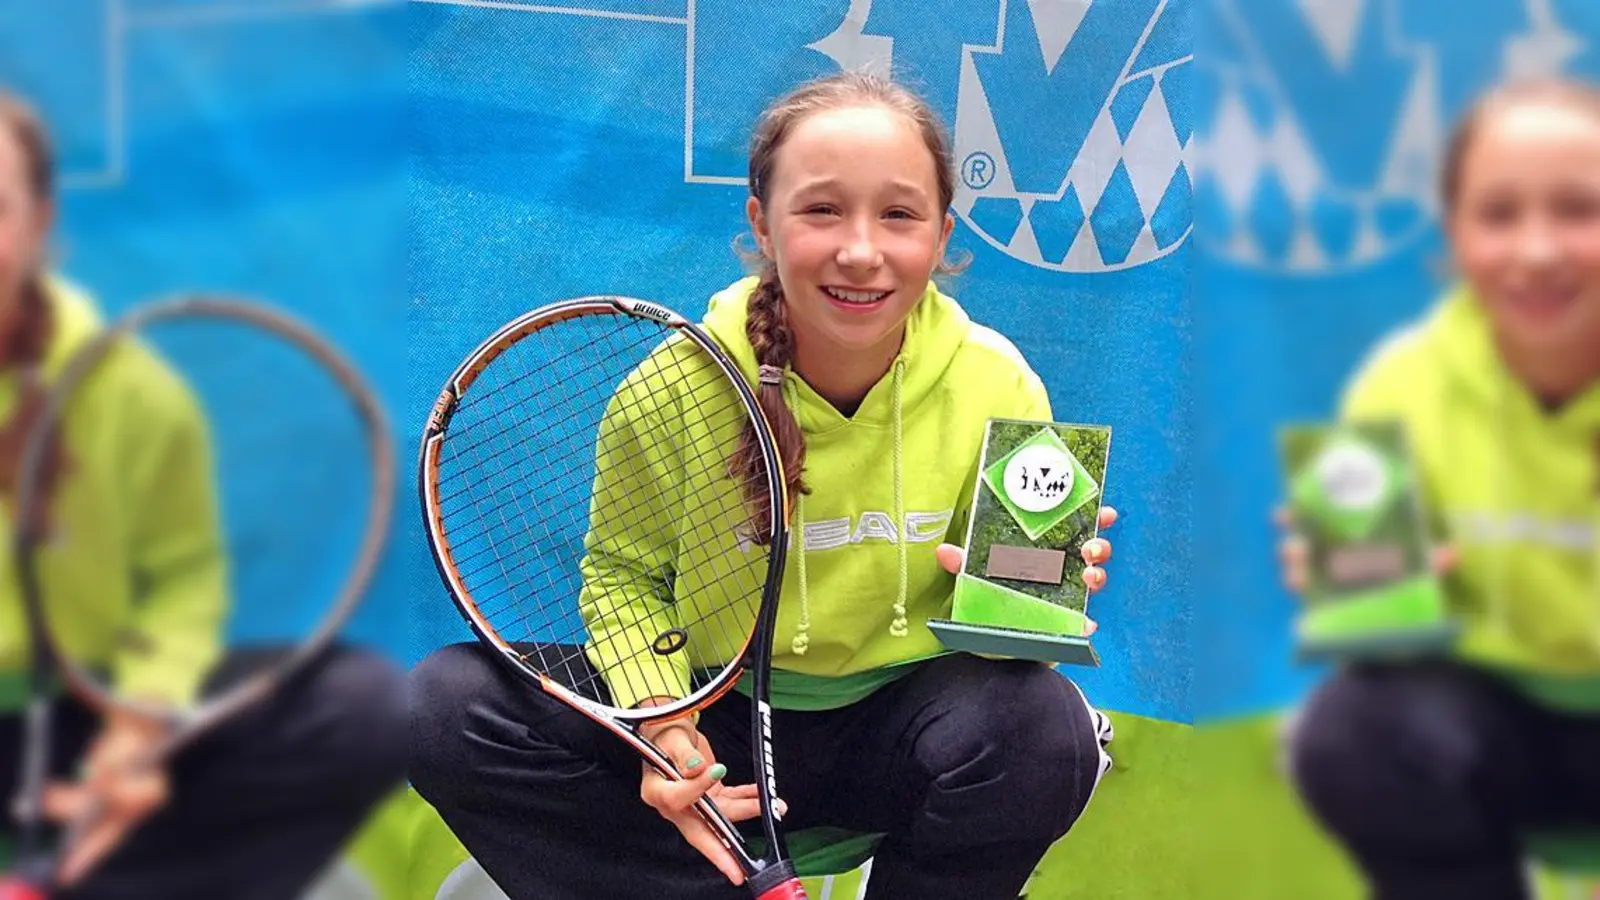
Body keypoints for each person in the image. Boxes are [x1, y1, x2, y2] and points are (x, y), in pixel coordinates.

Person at [411, 71, 1119, 899]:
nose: (861, 249)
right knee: (441, 707)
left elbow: (1013, 653)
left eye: (898, 214)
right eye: (822, 210)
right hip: (721, 730)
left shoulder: (1000, 383)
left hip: (895, 733)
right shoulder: (670, 385)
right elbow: (622, 577)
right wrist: (664, 726)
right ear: (763, 223)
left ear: (941, 233)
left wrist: (1025, 602)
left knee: (1047, 728)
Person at [0, 90, 406, 899]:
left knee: (365, 709)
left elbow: (184, 577)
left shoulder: (134, 392)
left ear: (40, 220)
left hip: (80, 712)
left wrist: (139, 722)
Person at [1281, 78, 1600, 900]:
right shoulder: (1400, 386)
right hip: (1499, 724)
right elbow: (1381, 639)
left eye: (1577, 209)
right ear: (1455, 235)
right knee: (1349, 735)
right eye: (1499, 215)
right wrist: (1358, 596)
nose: (1537, 250)